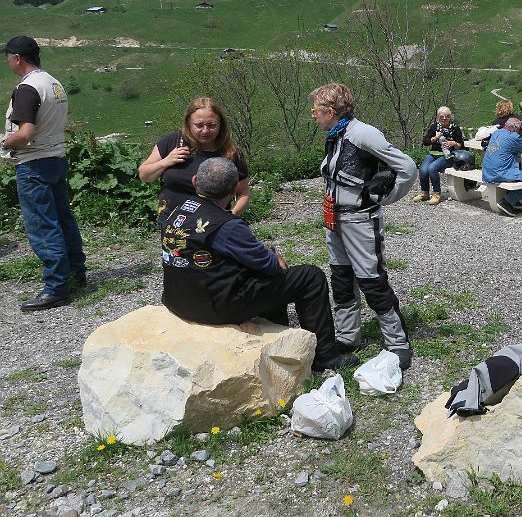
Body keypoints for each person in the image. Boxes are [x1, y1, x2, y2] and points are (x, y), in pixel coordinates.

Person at [160, 158, 353, 372]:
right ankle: (325, 356)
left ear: (195, 181)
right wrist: (273, 253)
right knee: (309, 277)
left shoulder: (178, 211)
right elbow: (270, 266)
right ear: (235, 189)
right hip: (216, 307)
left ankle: (279, 342)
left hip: (178, 300)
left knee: (263, 279)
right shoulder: (226, 225)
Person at [311, 83, 417, 370]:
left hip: (359, 219)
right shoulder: (336, 134)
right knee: (341, 278)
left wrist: (385, 197)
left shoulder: (362, 133)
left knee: (371, 280)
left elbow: (407, 167)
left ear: (330, 112)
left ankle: (397, 343)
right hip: (334, 217)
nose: (313, 116)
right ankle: (348, 336)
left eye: (316, 111)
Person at [3, 36, 88, 311]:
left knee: (42, 224)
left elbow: (25, 134)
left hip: (33, 163)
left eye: (7, 57)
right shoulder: (53, 83)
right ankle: (77, 272)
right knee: (63, 218)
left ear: (17, 58)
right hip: (56, 157)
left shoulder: (27, 88)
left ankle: (56, 286)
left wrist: (4, 143)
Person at [139, 97, 250, 226]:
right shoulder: (172, 142)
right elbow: (144, 176)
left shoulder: (231, 152)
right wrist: (166, 162)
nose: (205, 131)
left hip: (211, 226)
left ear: (221, 125)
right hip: (172, 225)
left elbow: (243, 193)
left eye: (212, 125)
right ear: (188, 123)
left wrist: (230, 215)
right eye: (199, 125)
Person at [481, 116, 522, 217]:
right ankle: (507, 202)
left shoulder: (496, 132)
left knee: (518, 172)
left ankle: (513, 201)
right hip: (500, 173)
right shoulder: (514, 137)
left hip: (487, 172)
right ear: (516, 127)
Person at [412, 106, 466, 205]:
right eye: (442, 117)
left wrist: (453, 143)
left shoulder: (455, 128)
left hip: (448, 155)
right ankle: (425, 192)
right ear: (438, 117)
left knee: (432, 168)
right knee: (423, 169)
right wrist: (435, 138)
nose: (444, 119)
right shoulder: (435, 127)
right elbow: (425, 141)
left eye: (447, 116)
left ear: (450, 117)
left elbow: (461, 146)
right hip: (434, 153)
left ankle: (437, 193)